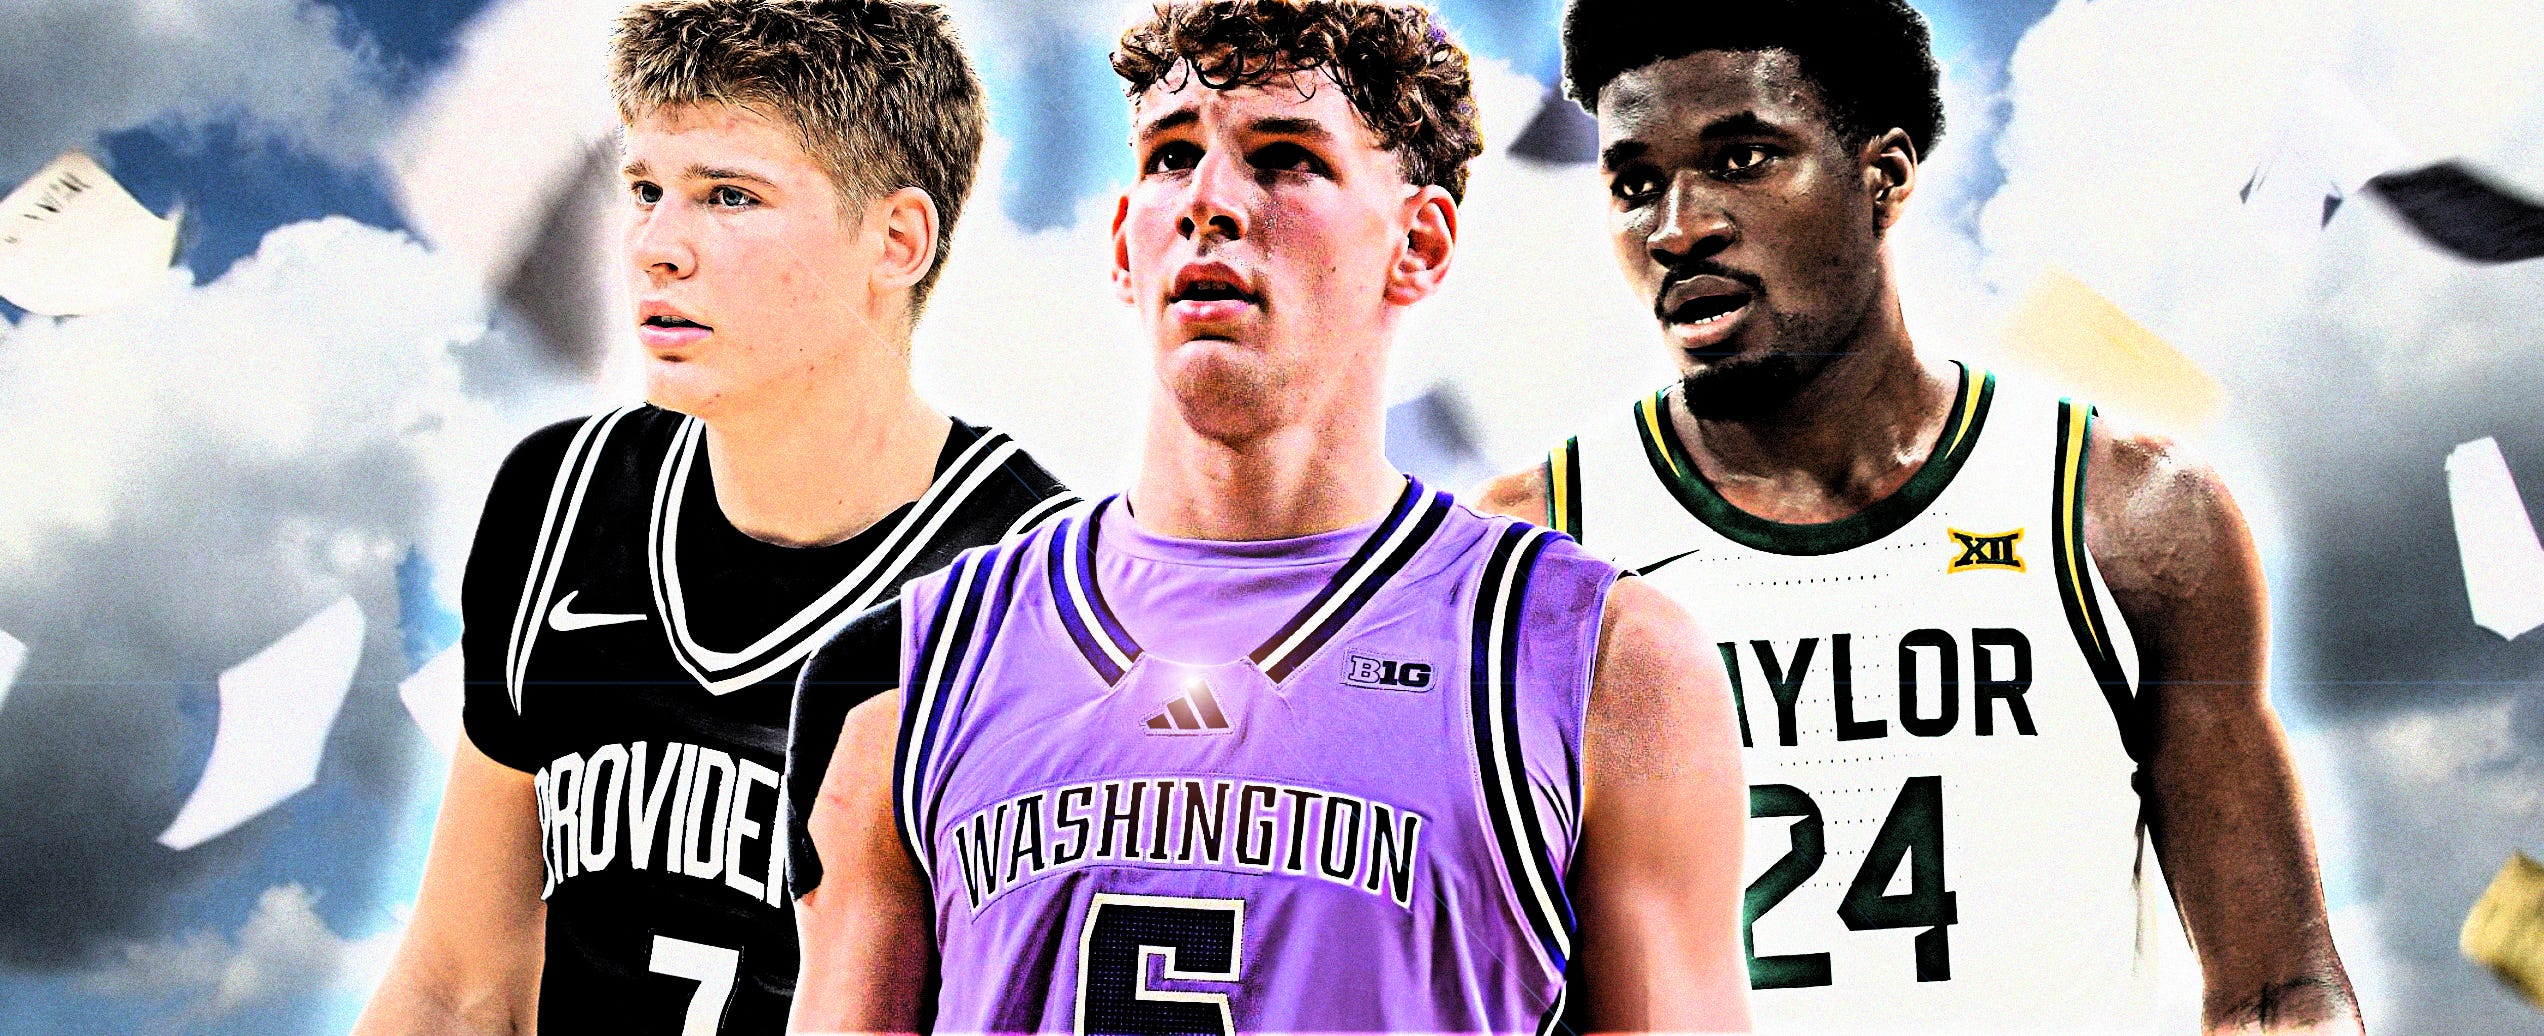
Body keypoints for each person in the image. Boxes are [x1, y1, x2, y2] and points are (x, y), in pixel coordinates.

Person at [784, 1, 1752, 1032]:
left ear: (1419, 243)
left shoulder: (1599, 662)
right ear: (1123, 243)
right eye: (1170, 157)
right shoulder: (901, 678)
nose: (1207, 200)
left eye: (1286, 158)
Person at [1474, 1, 2363, 1033]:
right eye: (1635, 184)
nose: (1678, 228)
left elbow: (2277, 991)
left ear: (1884, 177)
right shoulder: (1533, 558)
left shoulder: (2127, 513)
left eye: (1743, 160)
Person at [354, 3, 1072, 1033]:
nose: (655, 246)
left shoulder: (1038, 590)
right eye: (646, 190)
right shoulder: (562, 499)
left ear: (897, 240)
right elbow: (460, 982)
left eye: (728, 195)